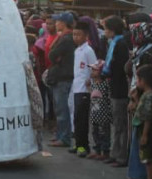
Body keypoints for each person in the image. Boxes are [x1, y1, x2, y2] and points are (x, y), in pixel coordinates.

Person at [101, 16, 130, 168]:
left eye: (106, 29)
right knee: (116, 123)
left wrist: (106, 72)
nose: (104, 32)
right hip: (115, 87)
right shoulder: (114, 43)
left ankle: (120, 156)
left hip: (120, 89)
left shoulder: (120, 44)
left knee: (120, 124)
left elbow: (118, 68)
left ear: (112, 30)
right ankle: (115, 153)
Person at [47, 13, 75, 148]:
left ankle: (64, 137)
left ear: (63, 23)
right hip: (59, 76)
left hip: (63, 77)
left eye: (57, 21)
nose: (55, 23)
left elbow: (52, 54)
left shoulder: (67, 39)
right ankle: (60, 135)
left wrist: (55, 57)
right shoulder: (62, 37)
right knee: (59, 108)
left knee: (62, 109)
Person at [132, 64, 152, 179]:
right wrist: (136, 99)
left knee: (148, 158)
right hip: (141, 127)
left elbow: (148, 116)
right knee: (145, 156)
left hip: (146, 129)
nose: (137, 82)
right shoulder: (146, 94)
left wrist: (145, 134)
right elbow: (141, 110)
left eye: (138, 79)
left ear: (144, 80)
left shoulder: (151, 95)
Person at [70, 19, 97, 156]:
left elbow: (94, 67)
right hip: (76, 88)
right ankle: (78, 143)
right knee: (76, 117)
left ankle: (84, 146)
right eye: (74, 34)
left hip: (85, 90)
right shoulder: (77, 51)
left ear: (86, 35)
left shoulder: (88, 51)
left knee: (82, 119)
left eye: (78, 34)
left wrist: (90, 80)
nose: (75, 37)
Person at [88, 59, 112, 160]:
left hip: (104, 113)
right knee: (95, 132)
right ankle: (97, 150)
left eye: (95, 70)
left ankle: (105, 151)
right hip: (94, 113)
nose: (92, 72)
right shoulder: (93, 83)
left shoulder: (105, 84)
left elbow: (108, 98)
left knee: (104, 133)